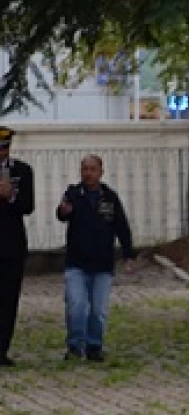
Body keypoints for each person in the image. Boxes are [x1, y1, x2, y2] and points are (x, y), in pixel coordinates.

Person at [54, 155, 135, 362]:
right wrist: (64, 211)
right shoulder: (73, 193)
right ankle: (74, 346)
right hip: (77, 262)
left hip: (102, 264)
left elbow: (122, 227)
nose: (88, 173)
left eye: (92, 169)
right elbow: (62, 214)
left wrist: (128, 254)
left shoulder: (110, 197)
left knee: (98, 310)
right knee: (76, 305)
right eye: (85, 169)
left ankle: (94, 346)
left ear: (101, 172)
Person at [0, 127, 35, 367]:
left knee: (8, 300)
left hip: (11, 246)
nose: (2, 153)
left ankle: (1, 349)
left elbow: (28, 205)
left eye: (4, 147)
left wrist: (10, 195)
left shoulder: (22, 171)